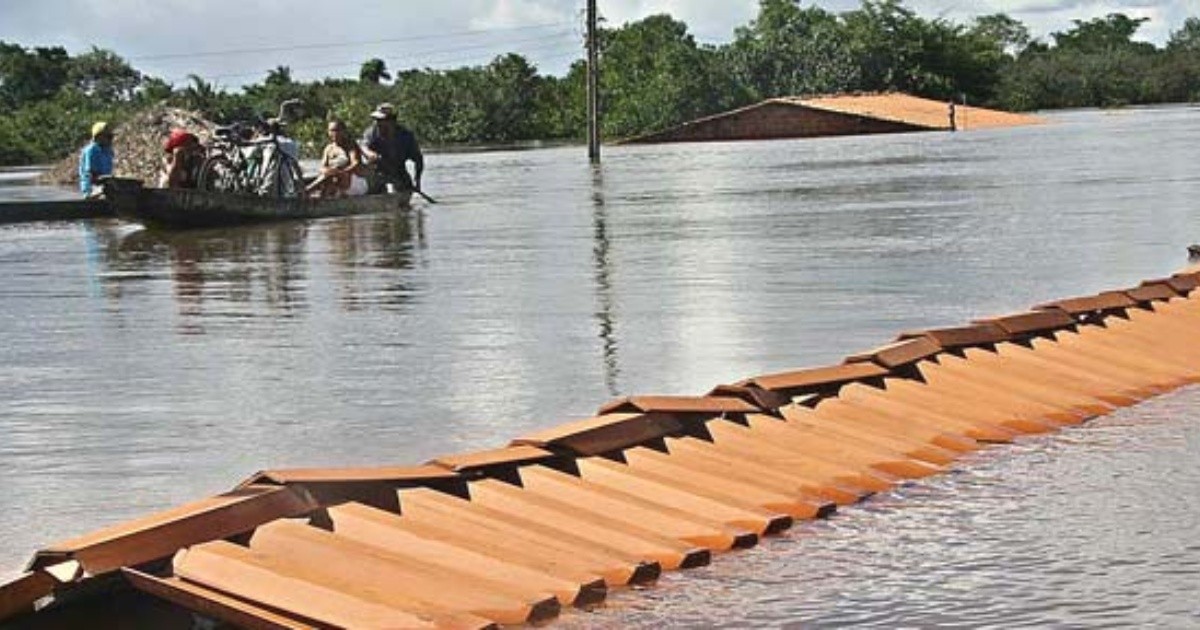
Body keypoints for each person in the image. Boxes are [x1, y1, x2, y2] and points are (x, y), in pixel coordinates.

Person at [360, 102, 423, 194]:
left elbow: (418, 160)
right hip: (377, 172)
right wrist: (370, 153)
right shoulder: (371, 132)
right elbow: (363, 146)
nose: (377, 123)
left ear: (392, 120)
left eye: (381, 120)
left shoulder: (406, 137)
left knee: (401, 189)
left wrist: (417, 181)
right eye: (376, 120)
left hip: (398, 173)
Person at [308, 119, 363, 198]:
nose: (334, 133)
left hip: (352, 180)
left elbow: (355, 163)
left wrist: (340, 172)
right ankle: (320, 196)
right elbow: (322, 167)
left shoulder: (350, 145)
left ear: (343, 131)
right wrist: (329, 171)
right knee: (329, 175)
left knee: (334, 174)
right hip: (334, 180)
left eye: (337, 130)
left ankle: (308, 189)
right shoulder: (328, 148)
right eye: (331, 131)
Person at [78, 121, 115, 197]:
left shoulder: (108, 151)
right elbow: (92, 176)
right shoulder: (92, 150)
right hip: (92, 188)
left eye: (111, 137)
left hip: (104, 184)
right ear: (98, 137)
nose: (111, 140)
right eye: (108, 137)